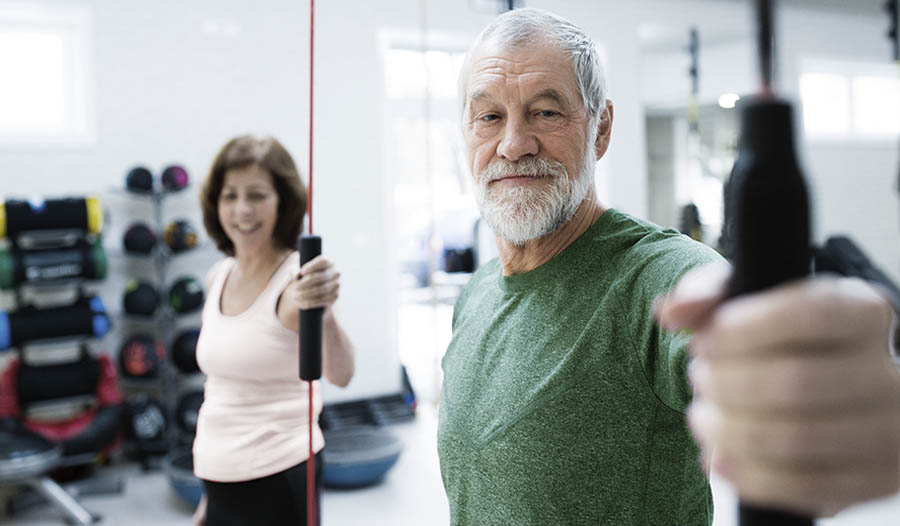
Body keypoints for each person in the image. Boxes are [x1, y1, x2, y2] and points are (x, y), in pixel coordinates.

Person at [438, 8, 900, 526]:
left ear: (601, 128)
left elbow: (737, 335)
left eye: (546, 113)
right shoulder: (476, 291)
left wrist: (830, 387)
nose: (514, 144)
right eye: (490, 116)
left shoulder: (660, 277)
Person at [190, 135, 355, 526]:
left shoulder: (295, 284)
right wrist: (207, 505)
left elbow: (343, 374)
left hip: (278, 477)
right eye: (230, 196)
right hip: (218, 480)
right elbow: (222, 392)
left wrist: (325, 312)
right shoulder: (219, 274)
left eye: (257, 195)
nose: (242, 210)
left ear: (283, 202)